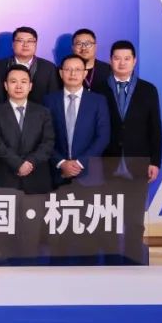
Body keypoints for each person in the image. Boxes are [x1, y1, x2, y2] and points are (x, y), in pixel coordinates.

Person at [94, 40, 162, 265]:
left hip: (138, 164)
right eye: (117, 58)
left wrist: (155, 161)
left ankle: (134, 265)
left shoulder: (148, 90)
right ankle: (112, 264)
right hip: (106, 165)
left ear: (134, 61)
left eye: (127, 58)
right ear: (110, 61)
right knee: (108, 220)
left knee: (134, 220)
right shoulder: (99, 89)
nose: (122, 63)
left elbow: (155, 128)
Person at [44, 53, 111, 262]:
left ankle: (88, 276)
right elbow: (44, 137)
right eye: (68, 69)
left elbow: (103, 136)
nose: (73, 73)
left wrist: (80, 162)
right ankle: (57, 276)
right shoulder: (48, 100)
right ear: (61, 73)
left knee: (88, 232)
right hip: (58, 174)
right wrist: (62, 162)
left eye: (77, 69)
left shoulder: (98, 101)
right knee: (58, 233)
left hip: (89, 175)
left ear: (85, 73)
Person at [0, 65, 55, 263]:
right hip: (4, 179)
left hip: (35, 180)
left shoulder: (43, 112)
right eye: (13, 81)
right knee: (2, 234)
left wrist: (30, 162)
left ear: (30, 86)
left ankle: (29, 273)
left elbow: (48, 142)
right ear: (5, 85)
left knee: (31, 234)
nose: (18, 86)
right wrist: (17, 164)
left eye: (23, 82)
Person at [0, 26, 60, 105]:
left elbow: (53, 98)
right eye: (20, 41)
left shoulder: (49, 68)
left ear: (36, 44)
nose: (25, 45)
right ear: (13, 44)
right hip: (4, 111)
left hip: (40, 112)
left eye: (30, 41)